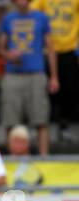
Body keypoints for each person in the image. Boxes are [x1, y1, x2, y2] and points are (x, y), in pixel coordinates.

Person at [0, 0, 59, 156]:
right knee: (10, 120)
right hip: (13, 74)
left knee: (41, 119)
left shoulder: (41, 18)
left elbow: (51, 48)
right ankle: (12, 158)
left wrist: (54, 76)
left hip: (36, 74)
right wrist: (8, 55)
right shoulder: (8, 19)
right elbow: (0, 48)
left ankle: (44, 158)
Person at [30, 0, 79, 141]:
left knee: (69, 90)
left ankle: (64, 125)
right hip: (47, 50)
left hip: (68, 49)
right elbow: (30, 11)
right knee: (45, 90)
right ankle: (40, 125)